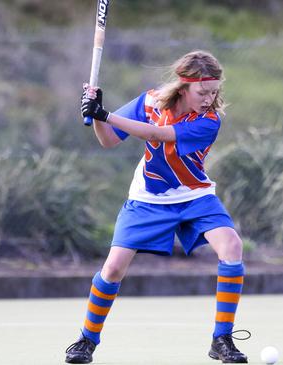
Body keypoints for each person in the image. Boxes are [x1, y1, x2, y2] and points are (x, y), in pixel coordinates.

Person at [66, 50, 248, 364]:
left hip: (194, 197)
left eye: (214, 92)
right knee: (112, 269)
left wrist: (104, 113)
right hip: (147, 200)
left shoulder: (209, 120)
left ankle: (222, 339)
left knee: (231, 246)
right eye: (202, 92)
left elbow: (158, 134)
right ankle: (86, 340)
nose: (209, 98)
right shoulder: (149, 102)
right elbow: (108, 140)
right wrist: (97, 116)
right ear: (183, 86)